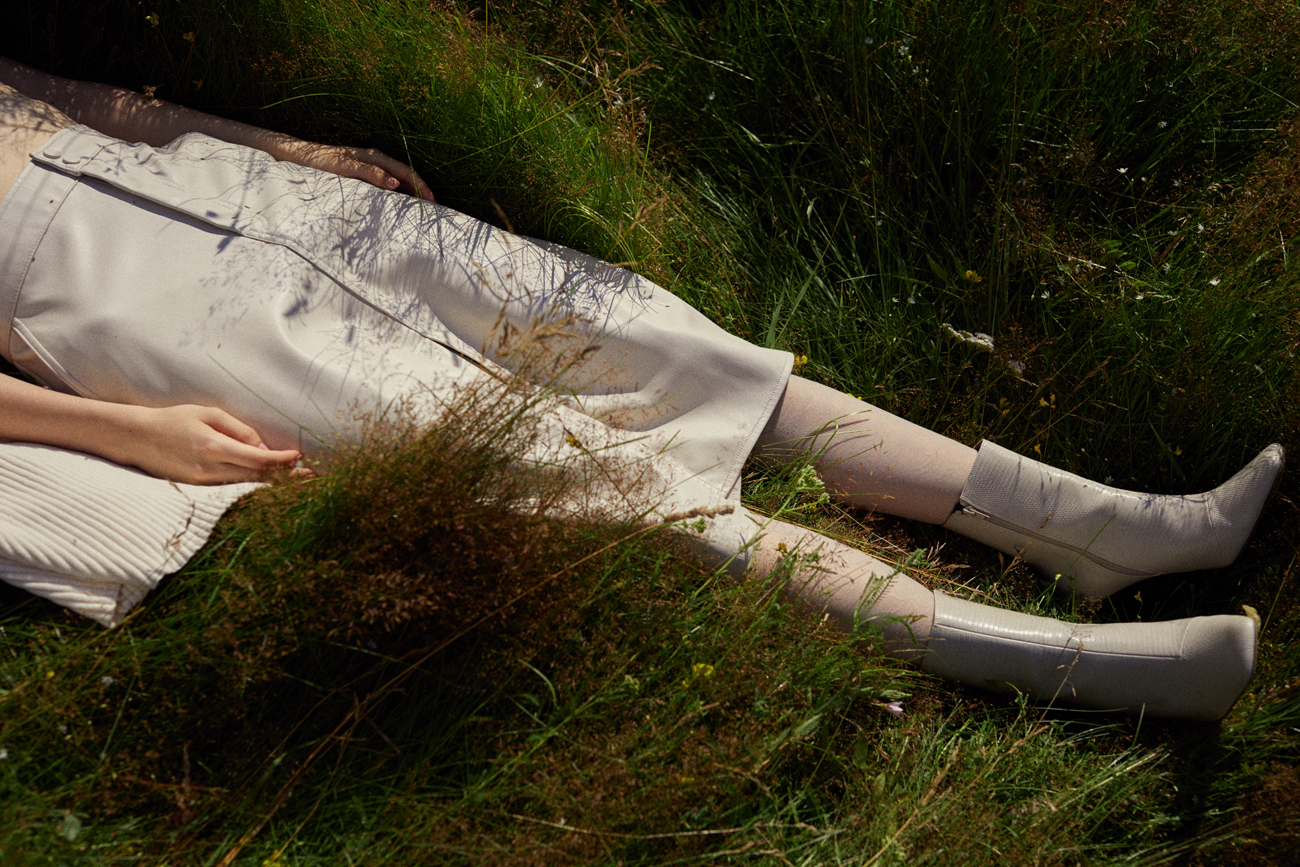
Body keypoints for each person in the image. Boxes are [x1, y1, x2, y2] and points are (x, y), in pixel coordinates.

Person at [0, 56, 1284, 721]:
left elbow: (69, 102)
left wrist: (281, 147)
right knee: (574, 477)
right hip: (106, 308)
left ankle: (1096, 527)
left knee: (649, 340)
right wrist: (120, 429)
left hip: (230, 195)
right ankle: (1074, 667)